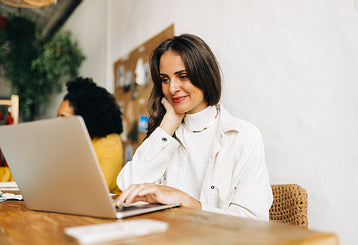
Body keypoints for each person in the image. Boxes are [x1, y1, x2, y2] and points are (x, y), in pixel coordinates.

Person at [115, 34, 273, 221]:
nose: (172, 88)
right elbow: (128, 187)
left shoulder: (243, 136)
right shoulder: (166, 133)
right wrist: (168, 124)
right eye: (165, 79)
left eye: (183, 76)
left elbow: (254, 222)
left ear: (204, 75)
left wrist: (187, 202)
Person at [57, 77, 124, 194]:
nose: (57, 122)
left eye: (63, 117)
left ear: (85, 118)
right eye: (58, 116)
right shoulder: (69, 142)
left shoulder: (110, 142)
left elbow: (100, 184)